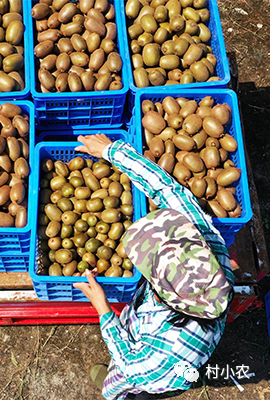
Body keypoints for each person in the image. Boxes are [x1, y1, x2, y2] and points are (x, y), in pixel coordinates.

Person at [73, 134, 234, 400]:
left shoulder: (159, 357)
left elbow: (130, 364)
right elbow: (170, 191)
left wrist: (102, 308)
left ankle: (116, 394)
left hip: (154, 376)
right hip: (177, 356)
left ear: (161, 292)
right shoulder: (208, 244)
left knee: (127, 386)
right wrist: (113, 152)